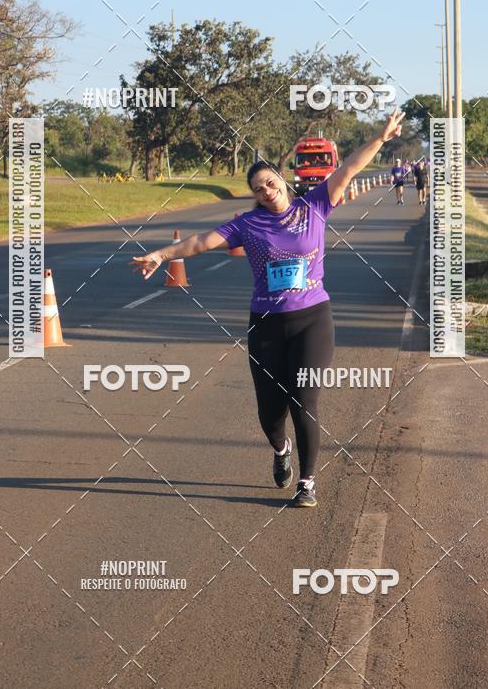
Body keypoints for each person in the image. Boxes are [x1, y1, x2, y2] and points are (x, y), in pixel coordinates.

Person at [131, 109, 405, 509]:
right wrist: (161, 253)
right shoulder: (247, 224)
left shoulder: (314, 205)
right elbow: (201, 242)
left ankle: (307, 483)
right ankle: (281, 450)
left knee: (304, 398)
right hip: (266, 324)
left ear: (282, 181)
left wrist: (381, 137)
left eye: (270, 183)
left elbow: (348, 168)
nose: (266, 192)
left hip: (313, 318)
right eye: (258, 189)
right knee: (269, 412)